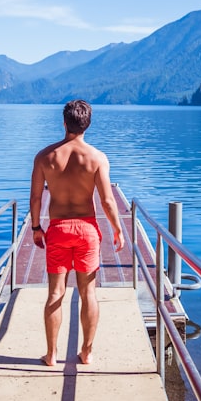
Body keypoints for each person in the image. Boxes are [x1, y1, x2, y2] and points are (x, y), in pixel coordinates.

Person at [29, 99, 125, 366]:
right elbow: (107, 201)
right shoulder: (97, 158)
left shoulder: (44, 156)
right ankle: (87, 352)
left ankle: (51, 354)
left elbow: (36, 198)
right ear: (88, 124)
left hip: (58, 229)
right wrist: (118, 229)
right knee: (88, 294)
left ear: (64, 123)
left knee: (55, 293)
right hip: (87, 230)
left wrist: (37, 227)